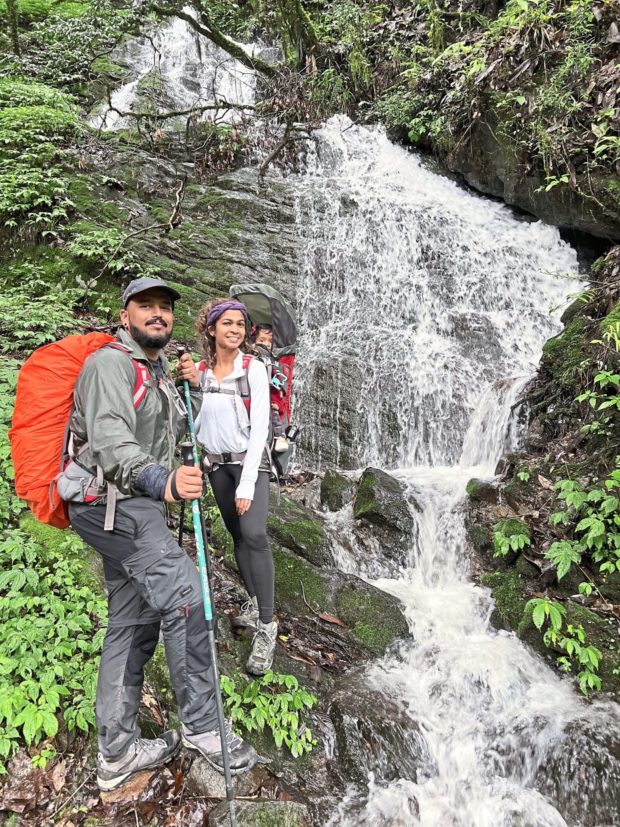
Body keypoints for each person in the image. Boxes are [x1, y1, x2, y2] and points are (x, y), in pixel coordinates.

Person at [64, 277, 257, 792]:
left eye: (165, 308)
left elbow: (172, 433)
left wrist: (187, 386)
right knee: (186, 596)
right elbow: (111, 442)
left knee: (133, 618)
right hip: (113, 502)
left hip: (125, 505)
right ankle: (201, 725)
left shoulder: (155, 371)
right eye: (145, 306)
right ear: (124, 315)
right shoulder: (109, 364)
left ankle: (117, 752)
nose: (157, 314)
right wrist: (162, 480)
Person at [195, 298, 277, 676]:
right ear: (212, 329)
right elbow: (194, 422)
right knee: (238, 536)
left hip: (247, 465)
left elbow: (260, 426)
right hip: (215, 465)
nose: (235, 330)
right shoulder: (201, 372)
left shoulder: (253, 368)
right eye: (227, 323)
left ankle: (268, 625)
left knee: (256, 534)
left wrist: (247, 484)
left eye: (240, 325)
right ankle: (255, 599)